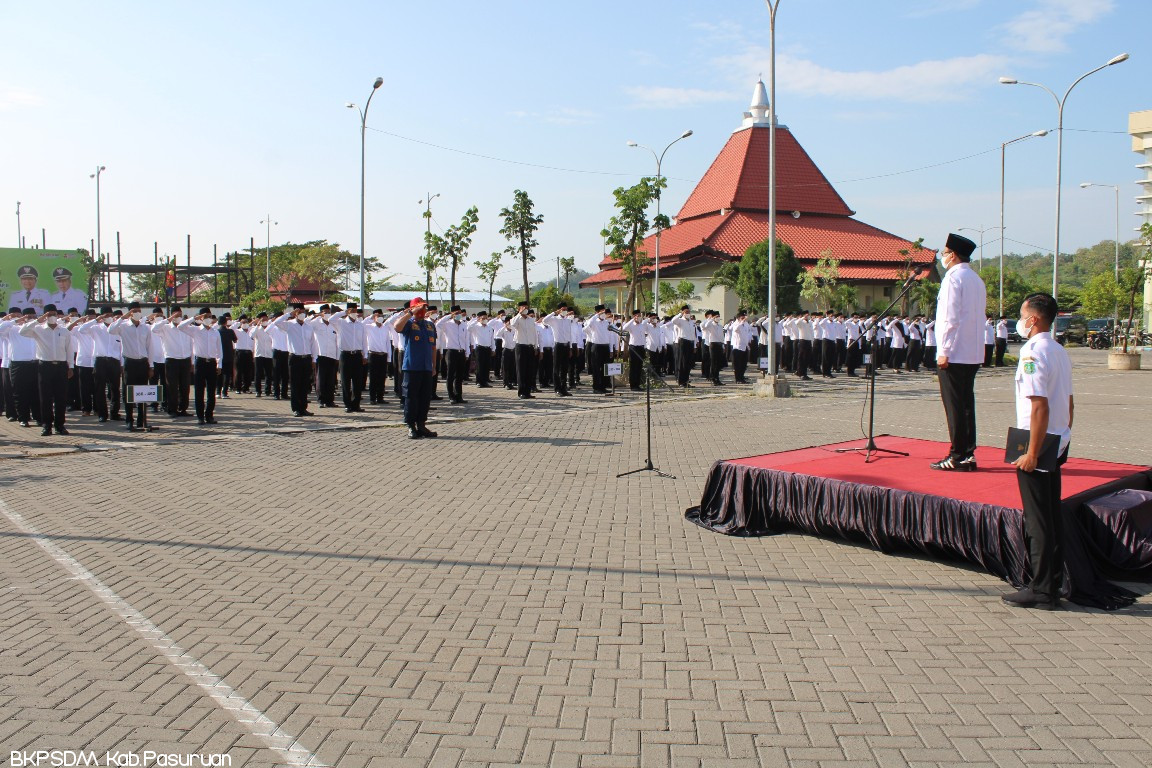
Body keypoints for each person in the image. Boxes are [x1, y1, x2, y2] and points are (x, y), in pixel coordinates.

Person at [1002, 293, 1073, 611]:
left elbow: (1039, 405)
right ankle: (1051, 583)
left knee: (1037, 520)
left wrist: (1032, 452)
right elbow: (1069, 403)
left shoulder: (1033, 350)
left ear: (1034, 319)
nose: (1020, 320)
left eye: (1022, 314)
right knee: (1050, 516)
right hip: (1056, 438)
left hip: (1037, 441)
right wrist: (1065, 437)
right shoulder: (1058, 349)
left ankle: (1042, 589)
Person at [931, 233, 987, 472]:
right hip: (971, 352)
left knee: (955, 406)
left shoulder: (953, 279)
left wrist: (943, 350)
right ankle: (967, 453)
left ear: (952, 255)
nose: (942, 257)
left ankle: (957, 455)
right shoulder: (975, 279)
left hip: (954, 353)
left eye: (944, 253)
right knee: (966, 405)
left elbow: (949, 318)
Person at [18, 304, 74, 436]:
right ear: (44, 315)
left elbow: (69, 349)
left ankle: (60, 425)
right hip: (45, 366)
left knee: (61, 397)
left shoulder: (64, 331)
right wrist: (39, 319)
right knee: (45, 398)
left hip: (61, 366)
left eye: (54, 314)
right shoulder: (38, 329)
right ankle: (47, 425)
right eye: (49, 314)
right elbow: (22, 331)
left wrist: (70, 367)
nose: (52, 317)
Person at [393, 297, 438, 439]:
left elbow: (433, 347)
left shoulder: (430, 325)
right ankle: (411, 426)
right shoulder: (409, 323)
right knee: (411, 398)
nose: (422, 310)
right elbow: (397, 327)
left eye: (424, 307)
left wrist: (434, 366)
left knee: (425, 398)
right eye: (419, 307)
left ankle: (422, 425)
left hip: (426, 367)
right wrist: (410, 313)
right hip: (412, 367)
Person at [108, 302, 154, 431]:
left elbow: (150, 347)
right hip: (130, 362)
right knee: (129, 393)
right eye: (135, 311)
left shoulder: (145, 328)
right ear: (130, 313)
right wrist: (123, 317)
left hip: (143, 362)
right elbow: (110, 330)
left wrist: (151, 366)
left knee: (142, 393)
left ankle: (142, 420)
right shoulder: (123, 326)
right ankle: (129, 420)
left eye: (139, 310)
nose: (138, 313)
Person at [178, 309, 222, 424]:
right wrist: (194, 318)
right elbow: (180, 327)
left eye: (210, 316)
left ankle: (209, 415)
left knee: (211, 391)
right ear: (201, 318)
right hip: (200, 363)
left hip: (212, 363)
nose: (208, 318)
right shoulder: (196, 330)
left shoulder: (215, 332)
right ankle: (200, 417)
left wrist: (219, 364)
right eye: (206, 316)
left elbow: (219, 350)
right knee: (199, 391)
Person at [274, 305, 318, 417]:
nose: (302, 314)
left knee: (304, 385)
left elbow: (313, 343)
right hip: (295, 358)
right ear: (296, 313)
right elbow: (276, 323)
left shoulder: (308, 327)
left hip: (306, 358)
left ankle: (303, 408)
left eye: (304, 312)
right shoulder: (289, 325)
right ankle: (296, 408)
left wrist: (314, 358)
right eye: (300, 312)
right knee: (295, 384)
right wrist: (289, 314)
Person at [327, 303, 368, 412]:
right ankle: (347, 404)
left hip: (357, 355)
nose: (354, 312)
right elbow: (331, 319)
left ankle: (356, 404)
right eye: (352, 310)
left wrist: (365, 355)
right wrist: (344, 312)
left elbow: (364, 341)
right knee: (346, 381)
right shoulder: (341, 323)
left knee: (357, 381)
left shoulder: (360, 324)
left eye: (355, 310)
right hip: (345, 355)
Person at [437, 305, 470, 404]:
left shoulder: (464, 324)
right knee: (450, 375)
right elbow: (438, 324)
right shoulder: (447, 324)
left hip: (461, 352)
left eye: (459, 313)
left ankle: (459, 396)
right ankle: (451, 396)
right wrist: (449, 316)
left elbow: (466, 339)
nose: (459, 315)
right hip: (451, 351)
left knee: (459, 376)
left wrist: (467, 352)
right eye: (456, 313)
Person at [511, 301, 541, 399]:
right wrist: (519, 313)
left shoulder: (531, 320)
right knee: (521, 370)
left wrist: (536, 346)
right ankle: (521, 392)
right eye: (523, 307)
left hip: (530, 347)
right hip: (521, 347)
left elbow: (534, 334)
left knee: (530, 370)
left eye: (526, 308)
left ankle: (528, 392)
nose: (525, 309)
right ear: (519, 308)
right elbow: (512, 325)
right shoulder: (517, 319)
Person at [364, 309, 391, 403]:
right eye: (377, 316)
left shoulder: (385, 328)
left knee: (382, 377)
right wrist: (370, 317)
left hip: (383, 355)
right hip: (373, 355)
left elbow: (388, 343)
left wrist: (389, 357)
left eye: (381, 316)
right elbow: (362, 324)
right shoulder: (369, 327)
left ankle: (380, 397)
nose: (380, 318)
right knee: (373, 378)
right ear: (374, 317)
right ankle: (372, 398)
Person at [251, 313, 275, 397]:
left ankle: (268, 390)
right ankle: (258, 391)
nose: (265, 321)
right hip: (259, 354)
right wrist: (257, 325)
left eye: (266, 320)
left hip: (268, 354)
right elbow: (251, 336)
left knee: (268, 374)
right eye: (263, 320)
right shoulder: (256, 329)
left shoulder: (271, 329)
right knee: (258, 374)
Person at [233, 315, 255, 394]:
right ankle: (238, 388)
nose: (245, 324)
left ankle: (246, 388)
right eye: (243, 322)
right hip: (239, 353)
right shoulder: (237, 331)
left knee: (248, 372)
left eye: (246, 322)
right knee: (239, 371)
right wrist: (238, 322)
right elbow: (231, 328)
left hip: (248, 353)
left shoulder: (251, 330)